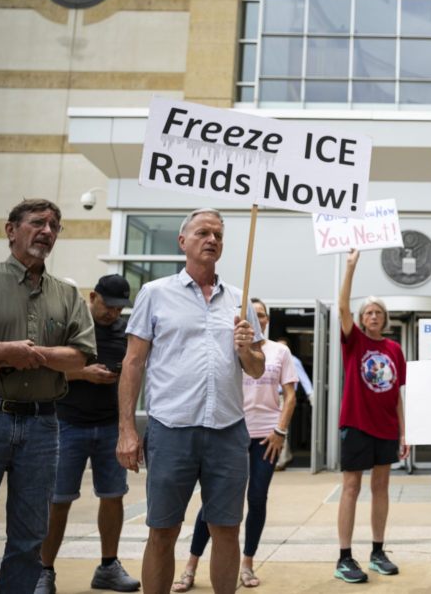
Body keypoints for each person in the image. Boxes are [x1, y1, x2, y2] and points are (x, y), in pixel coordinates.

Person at [117, 208, 265, 594]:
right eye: (203, 232)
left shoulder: (240, 299)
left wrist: (247, 348)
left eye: (218, 234)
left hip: (228, 431)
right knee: (162, 529)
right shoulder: (155, 293)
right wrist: (128, 429)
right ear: (182, 241)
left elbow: (256, 368)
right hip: (171, 430)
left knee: (227, 529)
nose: (212, 239)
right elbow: (133, 363)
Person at [0, 198, 96, 593]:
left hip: (42, 424)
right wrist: (2, 352)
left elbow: (80, 356)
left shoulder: (67, 294)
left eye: (55, 226)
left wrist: (30, 355)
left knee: (29, 540)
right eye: (38, 222)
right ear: (10, 230)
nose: (48, 232)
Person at [173, 298, 298, 590]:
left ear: (267, 320)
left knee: (256, 498)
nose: (259, 319)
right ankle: (191, 565)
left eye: (263, 315)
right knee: (214, 502)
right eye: (253, 315)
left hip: (266, 437)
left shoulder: (280, 352)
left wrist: (280, 431)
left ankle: (247, 563)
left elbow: (290, 395)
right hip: (230, 433)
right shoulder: (230, 347)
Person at [36, 274, 140, 594]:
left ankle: (108, 567)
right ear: (93, 297)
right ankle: (44, 571)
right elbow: (45, 366)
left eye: (120, 309)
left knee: (113, 496)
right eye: (108, 306)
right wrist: (84, 374)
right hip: (67, 423)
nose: (114, 314)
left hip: (110, 425)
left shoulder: (126, 332)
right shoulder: (72, 324)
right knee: (59, 500)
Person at [335, 249, 408, 584]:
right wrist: (350, 267)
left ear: (385, 318)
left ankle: (378, 551)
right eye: (369, 312)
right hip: (357, 424)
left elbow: (397, 396)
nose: (374, 316)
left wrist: (405, 433)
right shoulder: (355, 341)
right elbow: (342, 308)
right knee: (351, 487)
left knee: (382, 487)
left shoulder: (394, 349)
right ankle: (344, 557)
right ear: (362, 319)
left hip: (387, 428)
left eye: (379, 312)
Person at [275, 337, 312, 472]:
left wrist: (311, 395)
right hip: (272, 398)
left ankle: (281, 460)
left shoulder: (293, 361)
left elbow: (303, 378)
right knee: (275, 428)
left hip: (285, 397)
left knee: (281, 428)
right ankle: (287, 455)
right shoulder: (271, 359)